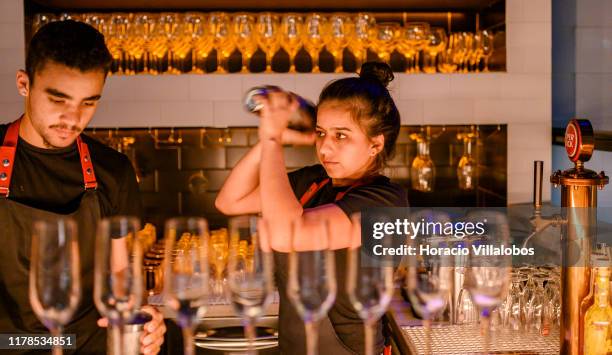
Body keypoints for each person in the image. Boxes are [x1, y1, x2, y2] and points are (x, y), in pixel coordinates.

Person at [216, 62, 408, 354]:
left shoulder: (385, 203)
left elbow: (288, 235)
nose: (325, 148)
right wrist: (275, 138)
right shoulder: (313, 181)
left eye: (340, 135)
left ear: (375, 144)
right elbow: (230, 201)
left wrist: (270, 139)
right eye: (321, 133)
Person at [0, 20, 165, 354]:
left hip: (90, 346)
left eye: (88, 102)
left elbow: (121, 274)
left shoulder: (113, 171)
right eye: (58, 99)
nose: (73, 118)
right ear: (24, 84)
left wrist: (142, 319)